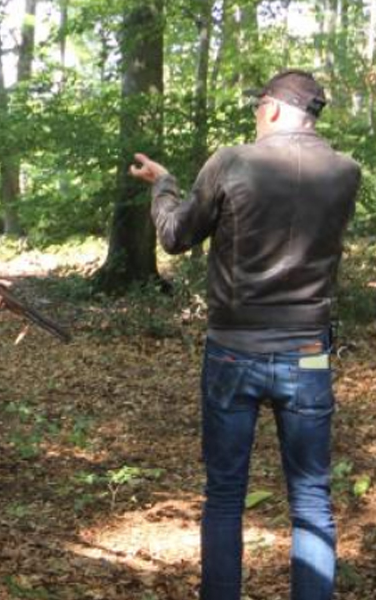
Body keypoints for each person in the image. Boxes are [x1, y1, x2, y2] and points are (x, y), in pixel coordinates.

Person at [129, 70, 360, 600]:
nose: (256, 119)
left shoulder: (232, 161)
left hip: (235, 351)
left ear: (273, 109)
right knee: (310, 499)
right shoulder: (346, 172)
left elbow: (174, 235)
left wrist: (163, 185)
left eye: (258, 109)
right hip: (307, 353)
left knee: (226, 494)